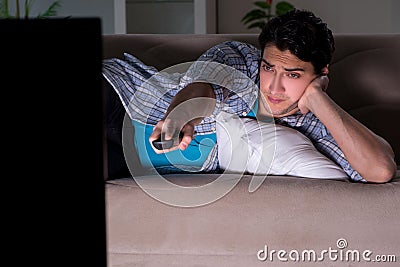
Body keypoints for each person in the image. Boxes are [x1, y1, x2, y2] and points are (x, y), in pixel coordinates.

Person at [103, 9, 396, 183]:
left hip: (131, 160)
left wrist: (319, 99)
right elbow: (204, 87)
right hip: (121, 95)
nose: (274, 87)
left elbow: (380, 170)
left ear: (320, 73)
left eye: (293, 75)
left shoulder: (315, 124)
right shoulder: (238, 59)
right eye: (269, 68)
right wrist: (180, 118)